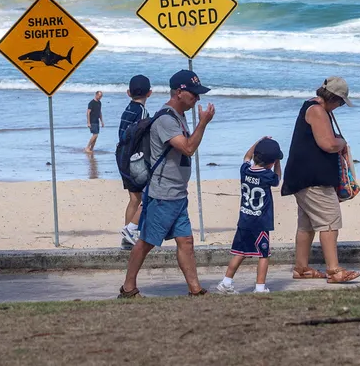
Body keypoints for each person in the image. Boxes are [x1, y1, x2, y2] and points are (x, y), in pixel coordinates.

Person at [119, 70, 215, 298]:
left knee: (186, 241)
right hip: (163, 194)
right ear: (179, 92)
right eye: (194, 94)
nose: (197, 98)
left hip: (177, 193)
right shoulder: (165, 120)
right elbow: (188, 148)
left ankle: (195, 289)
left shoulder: (178, 116)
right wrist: (203, 123)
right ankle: (128, 288)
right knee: (146, 242)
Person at [280, 77, 360, 284]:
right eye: (340, 102)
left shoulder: (312, 106)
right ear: (333, 98)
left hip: (302, 176)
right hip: (313, 178)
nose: (340, 106)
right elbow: (328, 144)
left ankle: (301, 268)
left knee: (306, 224)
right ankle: (334, 270)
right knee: (329, 221)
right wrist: (342, 142)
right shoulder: (317, 111)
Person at [217, 137, 283, 294]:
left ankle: (226, 282)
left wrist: (258, 142)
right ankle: (260, 287)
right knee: (264, 254)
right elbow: (277, 178)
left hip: (244, 220)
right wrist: (278, 162)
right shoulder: (267, 176)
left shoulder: (245, 170)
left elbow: (246, 157)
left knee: (240, 253)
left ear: (256, 156)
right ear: (272, 162)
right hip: (260, 222)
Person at [117, 75, 152, 248]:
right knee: (147, 196)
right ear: (150, 93)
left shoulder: (127, 110)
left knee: (134, 198)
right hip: (136, 160)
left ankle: (127, 236)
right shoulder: (143, 112)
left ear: (128, 93)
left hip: (122, 156)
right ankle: (132, 231)